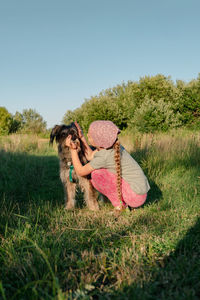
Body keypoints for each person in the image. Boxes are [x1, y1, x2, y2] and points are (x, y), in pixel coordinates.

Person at [65, 120, 150, 213]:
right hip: (140, 192)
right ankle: (124, 202)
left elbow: (81, 171)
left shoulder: (105, 156)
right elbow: (89, 155)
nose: (88, 135)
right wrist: (82, 137)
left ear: (98, 141)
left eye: (89, 135)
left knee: (97, 174)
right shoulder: (112, 147)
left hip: (134, 196)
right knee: (100, 172)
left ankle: (120, 205)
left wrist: (73, 150)